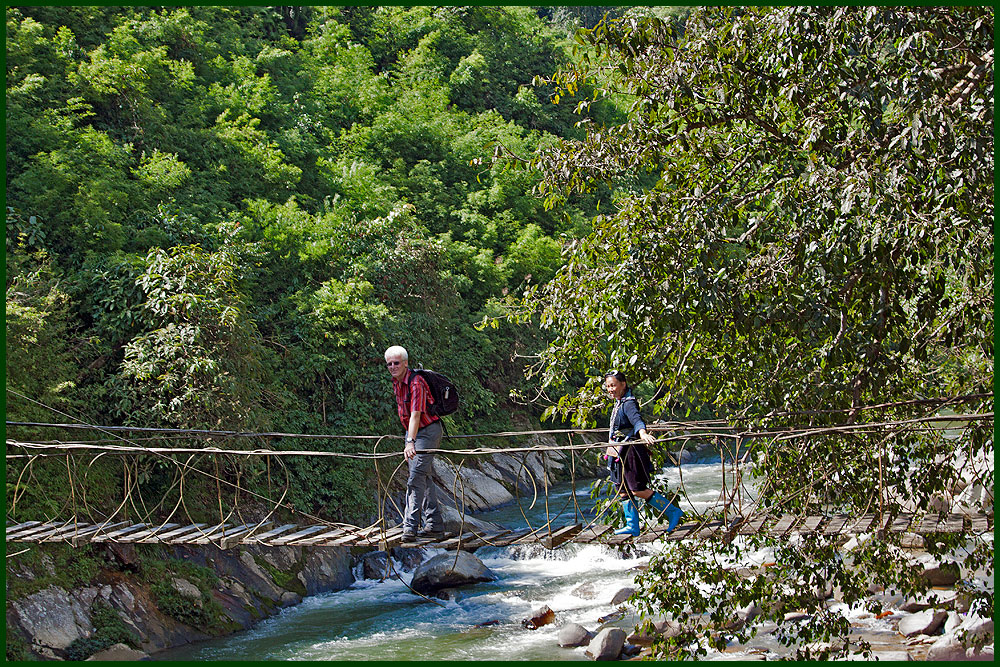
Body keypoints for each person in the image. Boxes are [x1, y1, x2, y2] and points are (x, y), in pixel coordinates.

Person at [603, 370, 683, 536]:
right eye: (608, 386)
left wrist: (643, 434)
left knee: (637, 489)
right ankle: (632, 525)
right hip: (619, 451)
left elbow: (637, 420)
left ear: (623, 384)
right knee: (622, 489)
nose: (610, 389)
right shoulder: (619, 402)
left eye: (613, 385)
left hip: (630, 450)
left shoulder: (629, 403)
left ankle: (673, 512)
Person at [385, 345, 443, 539]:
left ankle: (410, 527)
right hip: (413, 433)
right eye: (390, 364)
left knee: (415, 478)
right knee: (423, 477)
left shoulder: (416, 382)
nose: (393, 367)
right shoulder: (396, 382)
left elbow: (416, 414)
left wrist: (410, 442)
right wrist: (410, 438)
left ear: (405, 363)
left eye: (396, 363)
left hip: (427, 432)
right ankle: (435, 524)